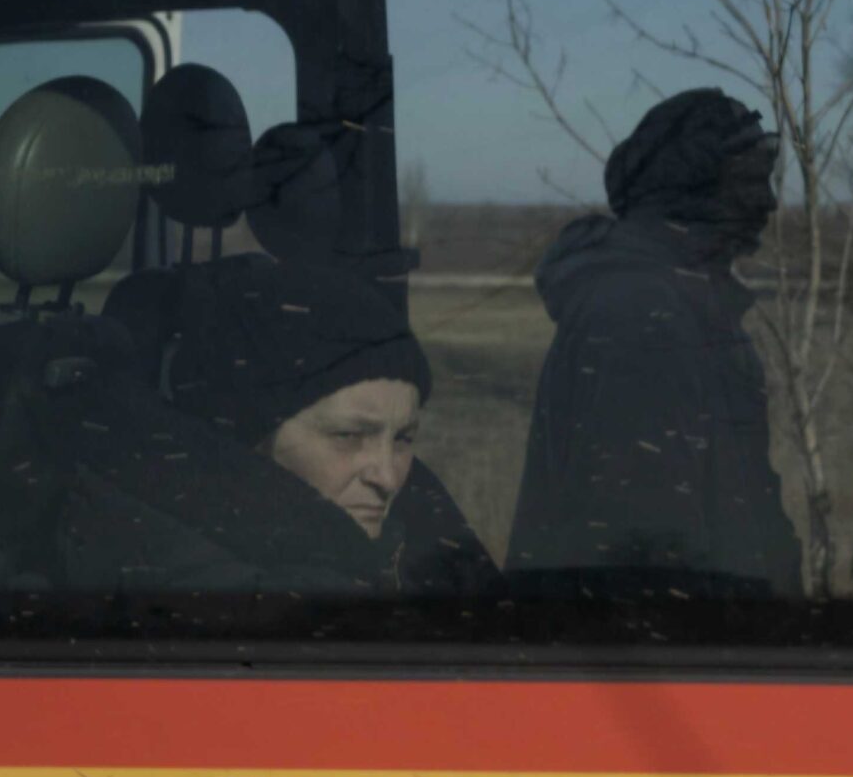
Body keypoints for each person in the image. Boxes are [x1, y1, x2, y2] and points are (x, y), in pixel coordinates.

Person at [506, 88, 804, 596]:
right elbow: (640, 553)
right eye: (751, 182)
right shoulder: (640, 314)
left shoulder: (693, 303)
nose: (770, 202)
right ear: (694, 186)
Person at [158, 255, 500, 595]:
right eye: (348, 436)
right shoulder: (194, 584)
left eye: (402, 438)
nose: (388, 478)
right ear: (245, 439)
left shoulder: (426, 532)